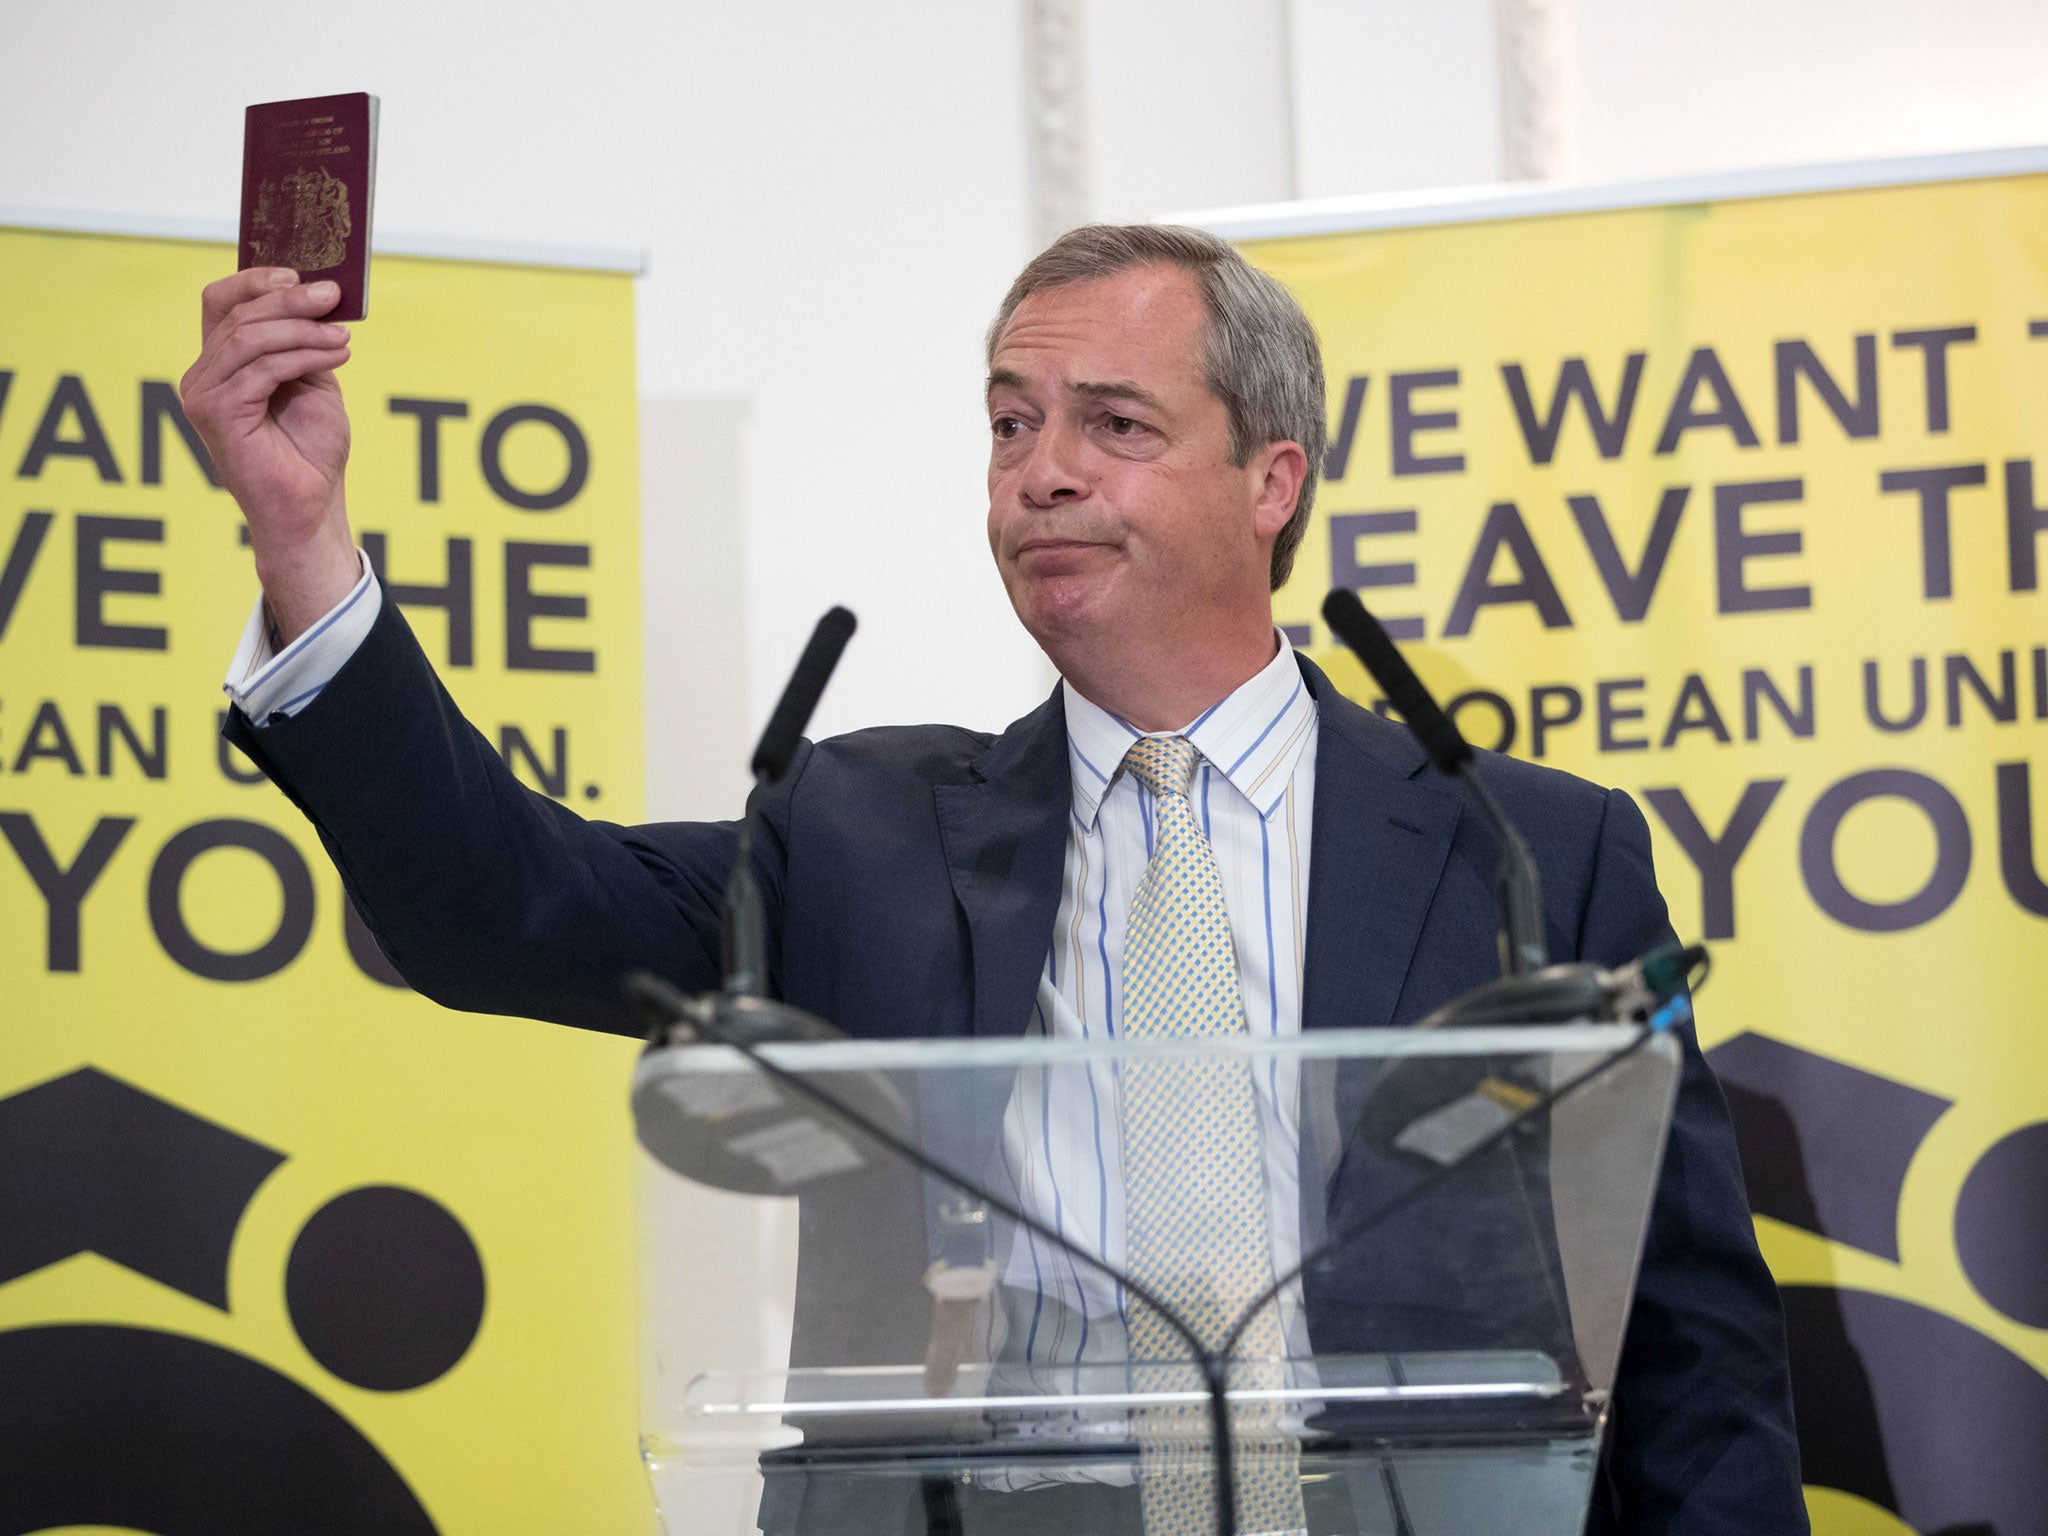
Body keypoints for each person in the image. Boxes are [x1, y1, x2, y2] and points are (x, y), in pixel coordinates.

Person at [182, 224, 1806, 1534]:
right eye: (1012, 423)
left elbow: (1687, 1346)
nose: (1040, 471)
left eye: (1114, 424)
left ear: (1272, 482)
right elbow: (495, 909)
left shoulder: (1524, 852)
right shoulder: (863, 829)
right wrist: (304, 542)